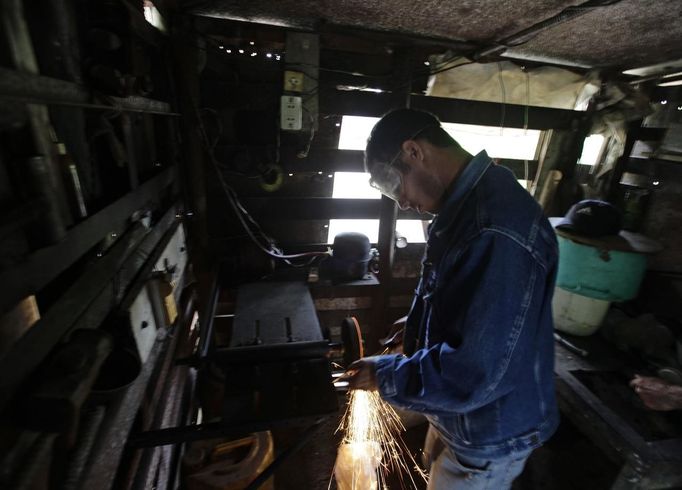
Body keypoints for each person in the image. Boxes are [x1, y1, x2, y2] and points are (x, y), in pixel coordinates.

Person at [345, 108, 559, 489]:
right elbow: (457, 301)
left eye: (396, 186)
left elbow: (474, 372)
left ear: (414, 151)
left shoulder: (492, 228)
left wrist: (384, 373)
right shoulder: (466, 206)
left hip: (489, 428)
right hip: (460, 417)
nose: (402, 203)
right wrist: (411, 332)